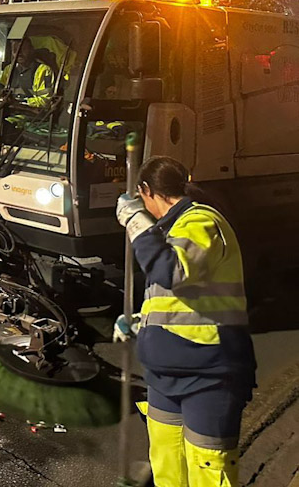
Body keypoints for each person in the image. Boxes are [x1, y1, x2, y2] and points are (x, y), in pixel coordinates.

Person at [115, 156, 255, 487]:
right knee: (167, 468)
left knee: (207, 471)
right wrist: (139, 322)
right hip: (164, 378)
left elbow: (173, 272)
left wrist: (136, 222)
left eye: (142, 199)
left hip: (208, 377)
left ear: (146, 191)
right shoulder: (171, 230)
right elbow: (177, 299)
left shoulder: (202, 222)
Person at [1, 37, 54, 109]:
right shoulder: (9, 69)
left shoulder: (43, 70)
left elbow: (45, 101)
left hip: (30, 116)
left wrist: (21, 102)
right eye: (15, 50)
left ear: (31, 50)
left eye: (23, 49)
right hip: (9, 112)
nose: (19, 53)